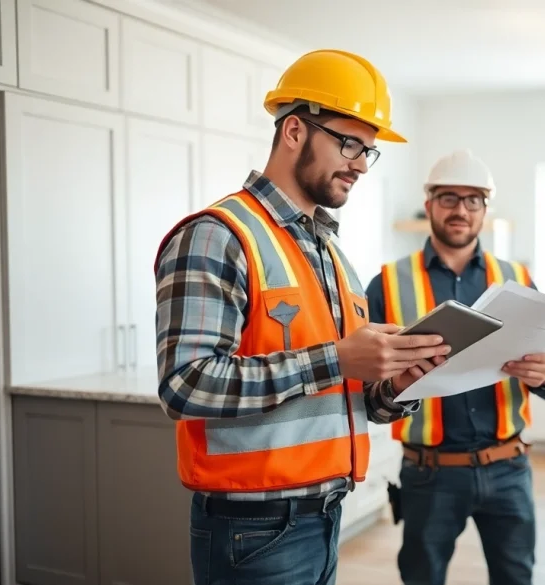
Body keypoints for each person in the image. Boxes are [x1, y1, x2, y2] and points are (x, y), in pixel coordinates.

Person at [153, 49, 450, 585]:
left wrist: (395, 387)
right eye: (351, 143)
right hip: (253, 527)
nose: (361, 163)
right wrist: (337, 358)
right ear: (294, 131)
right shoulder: (219, 234)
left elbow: (338, 396)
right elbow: (185, 385)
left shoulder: (331, 253)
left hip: (322, 514)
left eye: (369, 151)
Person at [364, 149, 545, 585]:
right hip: (428, 474)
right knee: (422, 577)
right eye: (448, 198)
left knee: (515, 577)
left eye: (472, 200)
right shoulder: (385, 283)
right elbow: (366, 383)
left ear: (484, 210)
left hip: (508, 468)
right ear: (429, 206)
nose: (460, 210)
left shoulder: (517, 279)